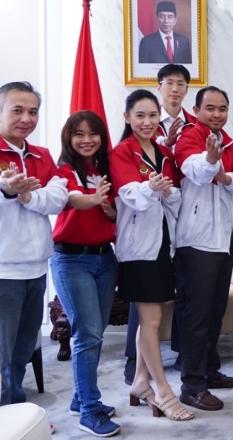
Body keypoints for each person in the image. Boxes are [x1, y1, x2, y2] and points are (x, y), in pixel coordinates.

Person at [110, 90, 193, 422]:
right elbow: (129, 194)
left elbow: (174, 196)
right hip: (137, 249)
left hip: (163, 244)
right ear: (127, 117)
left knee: (153, 319)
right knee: (152, 321)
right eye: (140, 115)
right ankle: (162, 390)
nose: (147, 122)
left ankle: (140, 382)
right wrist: (152, 188)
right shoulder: (121, 152)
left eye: (152, 116)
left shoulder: (162, 152)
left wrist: (166, 190)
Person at [174, 86, 233, 411]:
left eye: (222, 108)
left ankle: (210, 370)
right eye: (210, 108)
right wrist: (211, 160)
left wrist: (227, 173)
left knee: (215, 311)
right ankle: (191, 385)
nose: (217, 114)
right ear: (197, 109)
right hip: (197, 242)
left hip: (223, 242)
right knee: (197, 315)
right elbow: (196, 171)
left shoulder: (229, 141)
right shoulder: (190, 136)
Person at [0, 81, 67, 437]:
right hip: (2, 271)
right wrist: (5, 190)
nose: (26, 119)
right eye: (17, 110)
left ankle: (17, 419)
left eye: (33, 112)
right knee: (1, 355)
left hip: (36, 266)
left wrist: (25, 197)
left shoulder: (41, 154)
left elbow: (58, 198)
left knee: (22, 351)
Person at [123, 63, 196, 385]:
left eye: (181, 83)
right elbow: (130, 187)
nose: (175, 89)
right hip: (142, 236)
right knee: (145, 309)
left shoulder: (193, 125)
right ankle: (137, 369)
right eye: (170, 83)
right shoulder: (137, 137)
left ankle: (169, 361)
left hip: (175, 226)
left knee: (171, 298)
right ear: (160, 87)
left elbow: (179, 181)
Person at [51, 111, 120, 436]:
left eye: (93, 134)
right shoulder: (63, 170)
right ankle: (90, 411)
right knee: (87, 335)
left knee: (95, 333)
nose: (86, 139)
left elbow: (115, 214)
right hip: (71, 260)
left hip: (105, 258)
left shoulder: (103, 169)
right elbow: (72, 198)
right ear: (69, 137)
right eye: (79, 133)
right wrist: (91, 199)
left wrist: (109, 209)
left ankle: (81, 399)